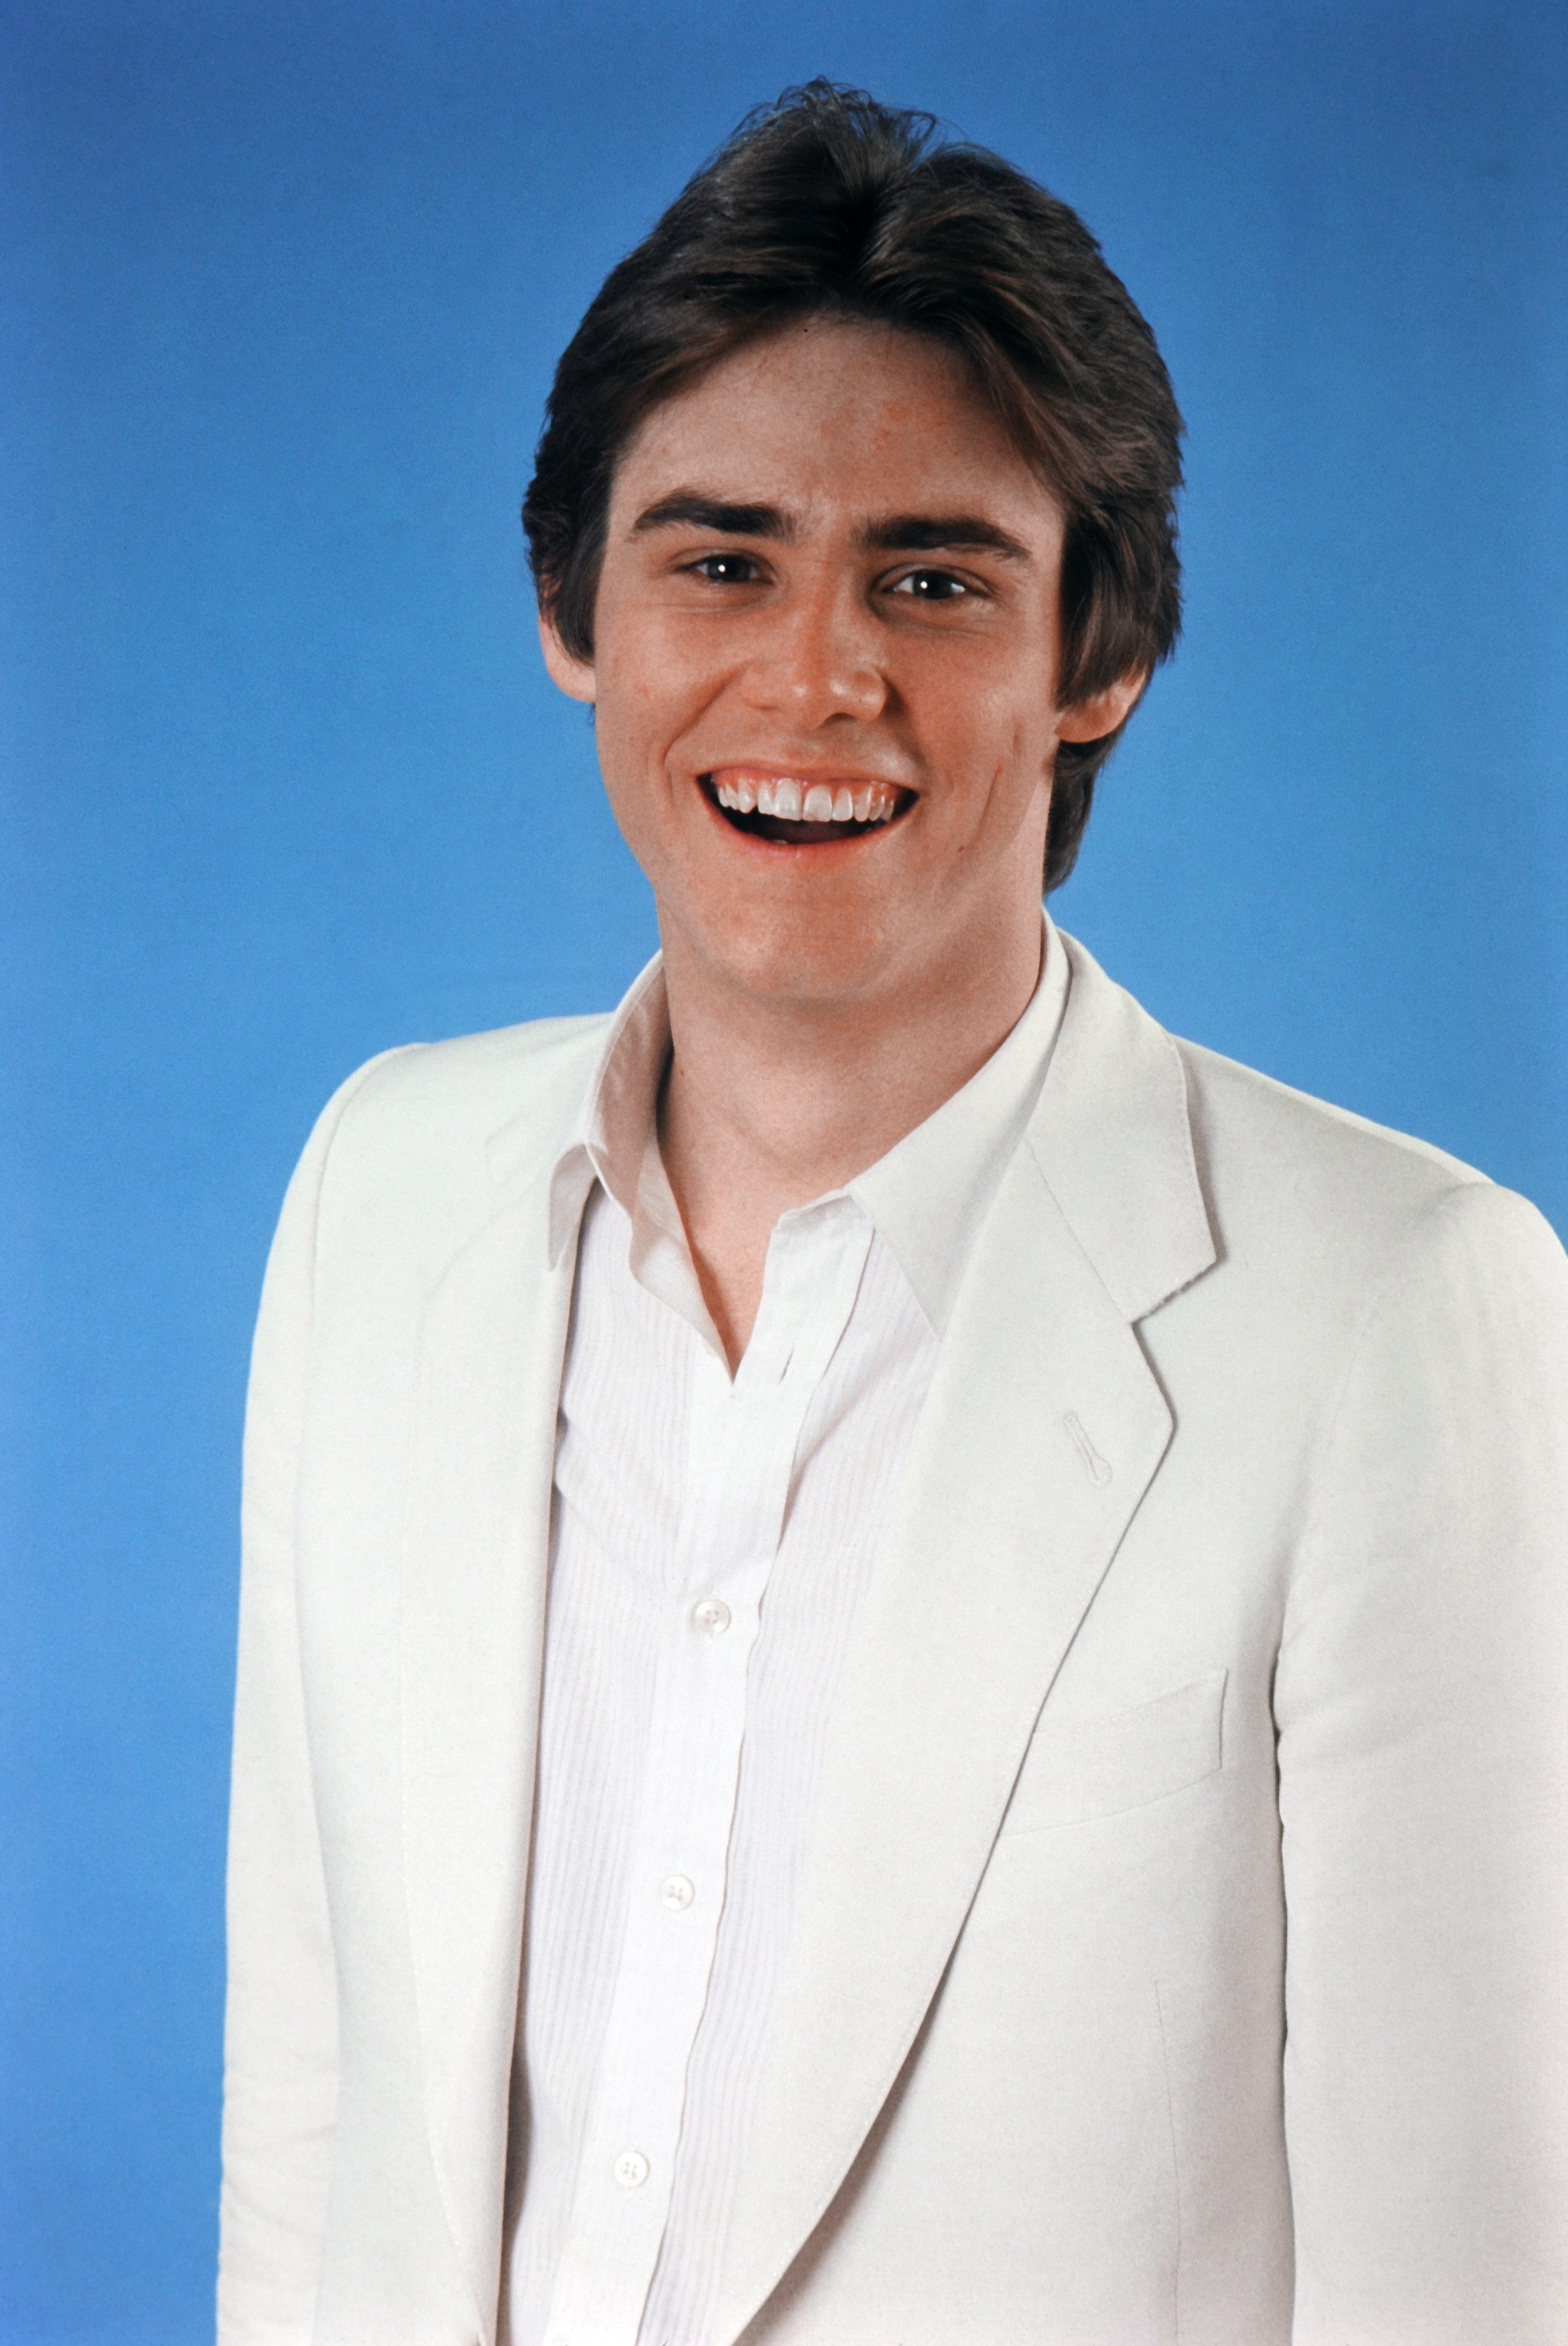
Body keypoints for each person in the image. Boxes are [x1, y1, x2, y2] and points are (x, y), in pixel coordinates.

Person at [218, 82, 1568, 2346]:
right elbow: (318, 2123)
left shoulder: (1400, 1317)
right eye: (719, 559)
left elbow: (1468, 2281)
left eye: (935, 580)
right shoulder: (383, 1194)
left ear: (1097, 663)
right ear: (576, 614)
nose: (816, 676)